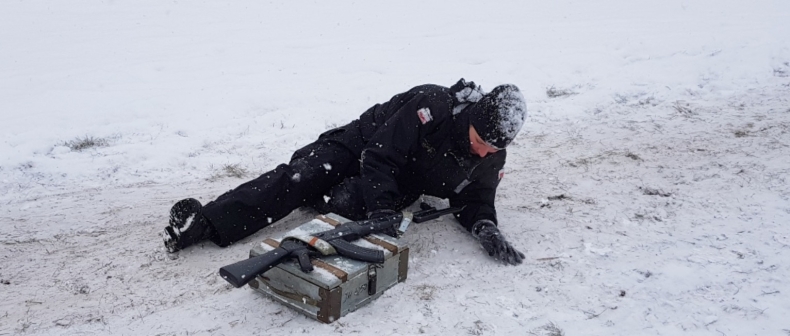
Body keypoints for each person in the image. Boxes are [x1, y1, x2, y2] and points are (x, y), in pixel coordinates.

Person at [162, 79, 527, 265]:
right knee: (302, 176)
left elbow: (476, 198)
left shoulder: (491, 154)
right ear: (471, 118)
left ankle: (326, 198)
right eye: (480, 141)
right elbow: (380, 155)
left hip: (402, 177)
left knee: (346, 203)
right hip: (362, 142)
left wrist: (485, 226)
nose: (483, 152)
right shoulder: (432, 107)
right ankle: (206, 222)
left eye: (492, 149)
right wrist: (382, 207)